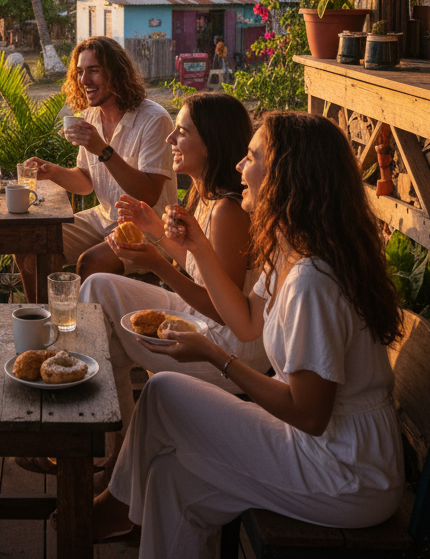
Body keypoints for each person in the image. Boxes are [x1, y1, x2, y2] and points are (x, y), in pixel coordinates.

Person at [90, 111, 404, 556]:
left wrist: (213, 356)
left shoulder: (314, 279)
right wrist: (196, 245)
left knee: (161, 394)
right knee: (169, 479)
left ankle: (113, 509)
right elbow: (244, 323)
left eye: (253, 156)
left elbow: (309, 414)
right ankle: (119, 506)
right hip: (327, 449)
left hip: (346, 471)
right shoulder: (290, 251)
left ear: (285, 176)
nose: (239, 166)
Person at [75, 92, 268, 482]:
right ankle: (121, 450)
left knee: (103, 327)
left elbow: (223, 311)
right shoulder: (204, 197)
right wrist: (155, 232)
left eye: (182, 132)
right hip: (201, 319)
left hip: (227, 346)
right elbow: (200, 268)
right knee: (98, 288)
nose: (170, 140)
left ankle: (115, 456)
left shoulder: (229, 211)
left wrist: (157, 263)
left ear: (211, 142)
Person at [17, 36, 176, 290]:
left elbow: (149, 194)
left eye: (94, 71)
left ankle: (78, 327)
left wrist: (102, 149)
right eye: (80, 72)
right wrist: (54, 172)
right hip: (103, 218)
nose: (84, 80)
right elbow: (86, 183)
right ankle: (43, 321)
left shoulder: (154, 119)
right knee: (29, 243)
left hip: (149, 227)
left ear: (117, 74)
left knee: (90, 262)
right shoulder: (90, 116)